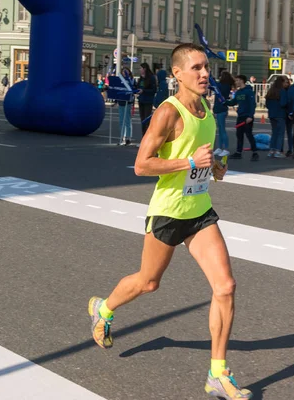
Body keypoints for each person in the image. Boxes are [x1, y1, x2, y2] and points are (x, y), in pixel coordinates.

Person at [88, 43, 252, 400]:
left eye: (205, 67)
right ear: (177, 74)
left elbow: (204, 159)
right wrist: (190, 163)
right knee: (148, 283)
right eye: (195, 67)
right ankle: (104, 308)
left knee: (225, 286)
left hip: (199, 211)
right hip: (168, 212)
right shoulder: (168, 112)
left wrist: (216, 166)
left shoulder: (207, 107)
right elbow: (142, 165)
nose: (204, 73)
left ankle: (218, 373)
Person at [226, 75, 259, 161]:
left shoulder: (249, 92)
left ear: (242, 81)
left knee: (249, 134)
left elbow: (252, 104)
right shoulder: (238, 92)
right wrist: (224, 102)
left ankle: (255, 152)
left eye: (237, 80)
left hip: (247, 116)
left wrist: (250, 116)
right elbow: (233, 102)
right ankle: (238, 153)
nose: (236, 82)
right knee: (239, 135)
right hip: (240, 116)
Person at [265, 76, 288, 158]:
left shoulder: (270, 91)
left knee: (274, 132)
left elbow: (267, 104)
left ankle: (271, 150)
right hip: (280, 114)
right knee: (280, 133)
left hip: (272, 114)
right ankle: (278, 151)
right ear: (281, 83)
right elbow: (283, 103)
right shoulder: (282, 91)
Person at [213, 70, 235, 151]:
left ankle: (225, 148)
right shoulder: (224, 85)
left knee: (222, 129)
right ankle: (220, 147)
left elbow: (215, 85)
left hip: (221, 109)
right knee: (220, 130)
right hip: (220, 109)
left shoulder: (224, 86)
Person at [138, 62, 157, 136]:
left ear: (144, 69)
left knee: (146, 120)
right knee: (142, 120)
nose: (139, 70)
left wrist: (144, 91)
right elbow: (138, 86)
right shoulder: (141, 78)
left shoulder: (151, 78)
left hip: (148, 101)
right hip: (141, 100)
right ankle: (143, 137)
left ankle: (147, 137)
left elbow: (153, 90)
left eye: (141, 68)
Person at [117, 67, 134, 146]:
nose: (124, 73)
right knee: (121, 120)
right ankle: (122, 137)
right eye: (123, 72)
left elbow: (133, 89)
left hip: (128, 101)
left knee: (127, 120)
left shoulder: (131, 80)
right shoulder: (120, 80)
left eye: (126, 72)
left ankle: (128, 137)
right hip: (121, 101)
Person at [281, 76, 294, 157]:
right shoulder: (280, 90)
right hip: (282, 114)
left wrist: (291, 113)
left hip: (289, 114)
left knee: (289, 133)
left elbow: (291, 103)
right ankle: (280, 149)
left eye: (287, 82)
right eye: (284, 82)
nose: (286, 84)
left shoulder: (290, 90)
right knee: (281, 133)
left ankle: (290, 149)